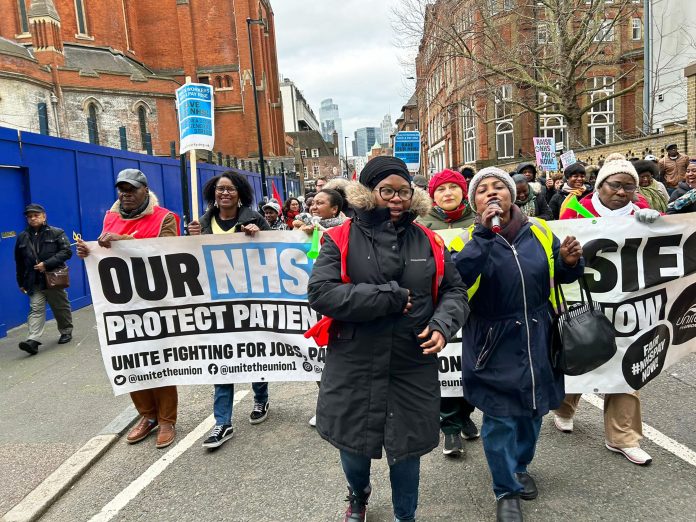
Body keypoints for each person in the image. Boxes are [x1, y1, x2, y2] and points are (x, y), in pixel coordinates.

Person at [307, 156, 468, 522]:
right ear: (367, 193)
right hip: (354, 361)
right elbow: (321, 293)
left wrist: (443, 324)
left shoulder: (429, 240)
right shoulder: (338, 238)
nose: (396, 198)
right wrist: (388, 298)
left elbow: (454, 290)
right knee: (354, 446)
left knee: (407, 450)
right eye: (387, 191)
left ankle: (405, 515)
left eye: (403, 191)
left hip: (411, 362)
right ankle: (358, 495)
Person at [453, 167, 583, 522]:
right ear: (474, 201)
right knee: (500, 420)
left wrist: (571, 263)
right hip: (492, 343)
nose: (492, 194)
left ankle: (521, 465)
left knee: (532, 413)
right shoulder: (465, 241)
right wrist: (483, 234)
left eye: (500, 187)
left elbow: (559, 274)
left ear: (514, 194)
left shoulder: (539, 230)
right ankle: (506, 489)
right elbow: (457, 280)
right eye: (483, 191)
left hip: (540, 336)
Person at [553, 154, 659, 467]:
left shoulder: (643, 212)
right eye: (615, 185)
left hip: (630, 302)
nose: (622, 192)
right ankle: (564, 406)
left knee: (627, 362)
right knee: (584, 354)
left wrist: (658, 223)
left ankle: (623, 436)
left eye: (629, 186)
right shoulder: (574, 209)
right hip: (585, 298)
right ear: (601, 185)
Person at [76, 169, 180, 449]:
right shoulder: (110, 217)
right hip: (122, 305)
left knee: (160, 361)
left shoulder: (165, 218)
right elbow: (105, 252)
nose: (126, 194)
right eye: (122, 189)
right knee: (130, 359)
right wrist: (89, 252)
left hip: (156, 302)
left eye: (132, 189)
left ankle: (167, 419)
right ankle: (147, 416)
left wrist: (126, 242)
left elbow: (170, 253)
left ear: (145, 190)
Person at [187, 171, 272, 449]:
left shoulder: (253, 219)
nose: (225, 193)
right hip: (216, 303)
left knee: (254, 352)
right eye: (220, 189)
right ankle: (222, 422)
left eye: (230, 189)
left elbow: (274, 251)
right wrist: (190, 240)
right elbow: (189, 262)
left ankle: (260, 397)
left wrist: (259, 236)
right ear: (213, 193)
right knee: (222, 359)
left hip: (251, 299)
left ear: (240, 193)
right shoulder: (201, 223)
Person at [414, 169, 478, 456]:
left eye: (454, 187)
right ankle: (450, 427)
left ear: (464, 192)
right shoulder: (420, 225)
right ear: (432, 195)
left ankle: (465, 414)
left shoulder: (480, 222)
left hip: (478, 305)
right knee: (447, 367)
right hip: (440, 307)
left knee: (472, 366)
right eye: (441, 189)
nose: (448, 193)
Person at [14, 203, 73, 355]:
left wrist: (46, 264)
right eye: (30, 216)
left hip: (53, 278)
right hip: (33, 281)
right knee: (36, 309)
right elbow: (19, 262)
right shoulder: (22, 237)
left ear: (44, 216)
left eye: (36, 215)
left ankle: (66, 331)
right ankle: (32, 340)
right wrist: (20, 282)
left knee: (59, 307)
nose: (33, 218)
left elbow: (66, 252)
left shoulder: (56, 232)